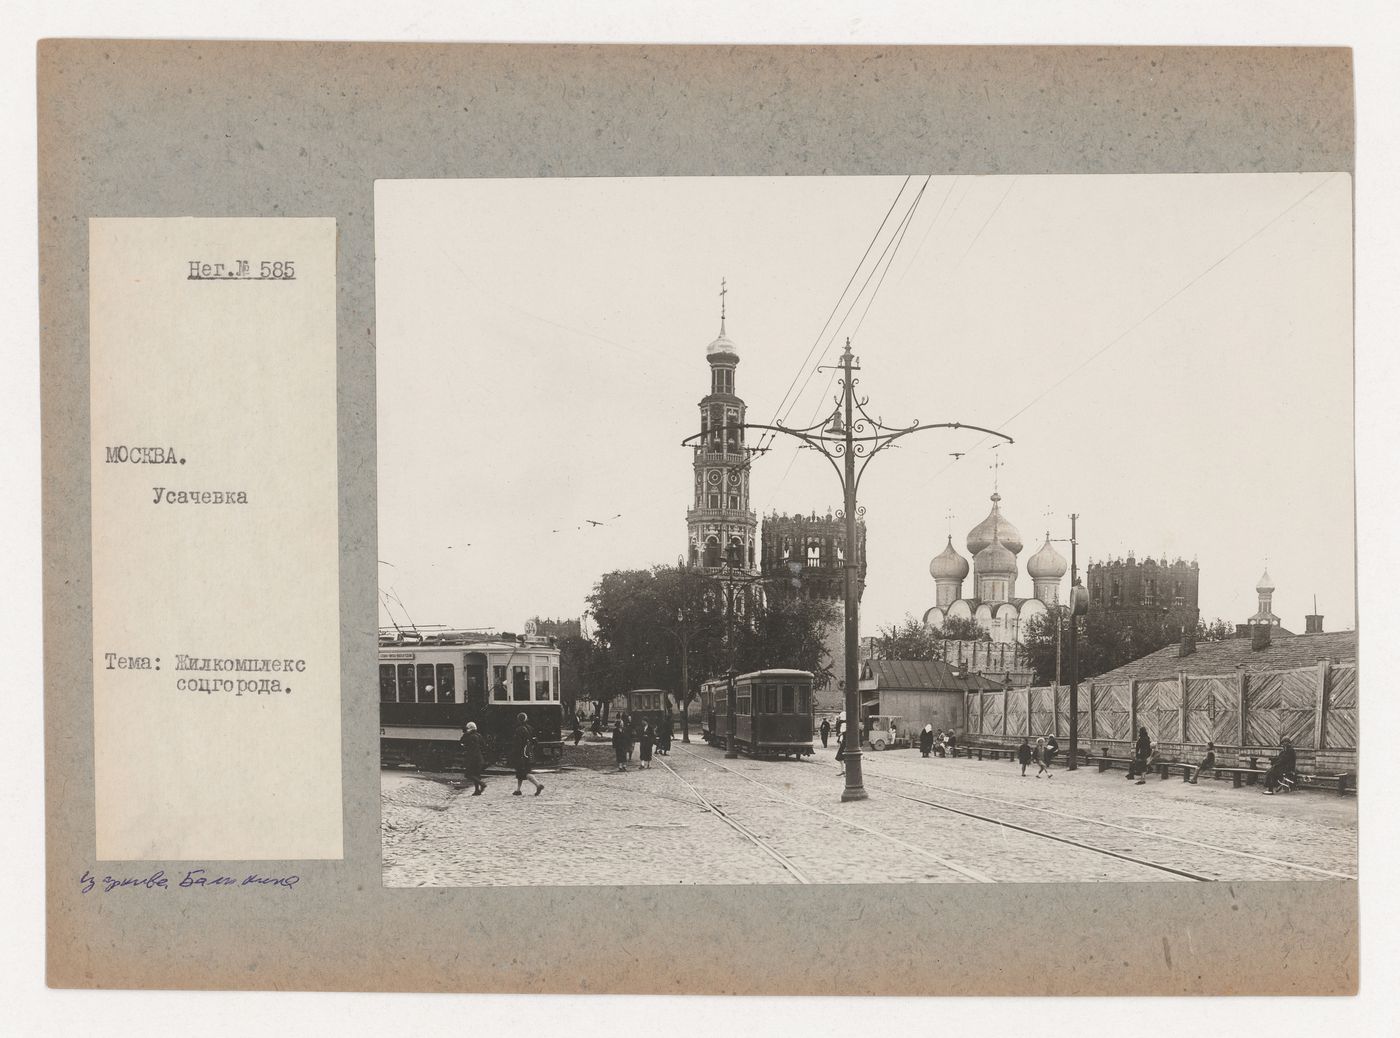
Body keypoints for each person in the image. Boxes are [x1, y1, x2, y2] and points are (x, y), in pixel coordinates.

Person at [510, 711, 544, 796]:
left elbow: (517, 743)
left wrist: (514, 753)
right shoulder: (530, 728)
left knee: (526, 772)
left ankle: (538, 785)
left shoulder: (519, 729)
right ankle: (518, 790)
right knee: (520, 772)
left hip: (521, 753)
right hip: (529, 752)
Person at [459, 721, 486, 795]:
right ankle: (477, 790)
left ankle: (482, 784)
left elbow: (461, 741)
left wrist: (465, 734)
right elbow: (483, 745)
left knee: (468, 774)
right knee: (476, 774)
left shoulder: (468, 736)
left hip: (471, 758)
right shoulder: (479, 735)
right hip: (479, 757)